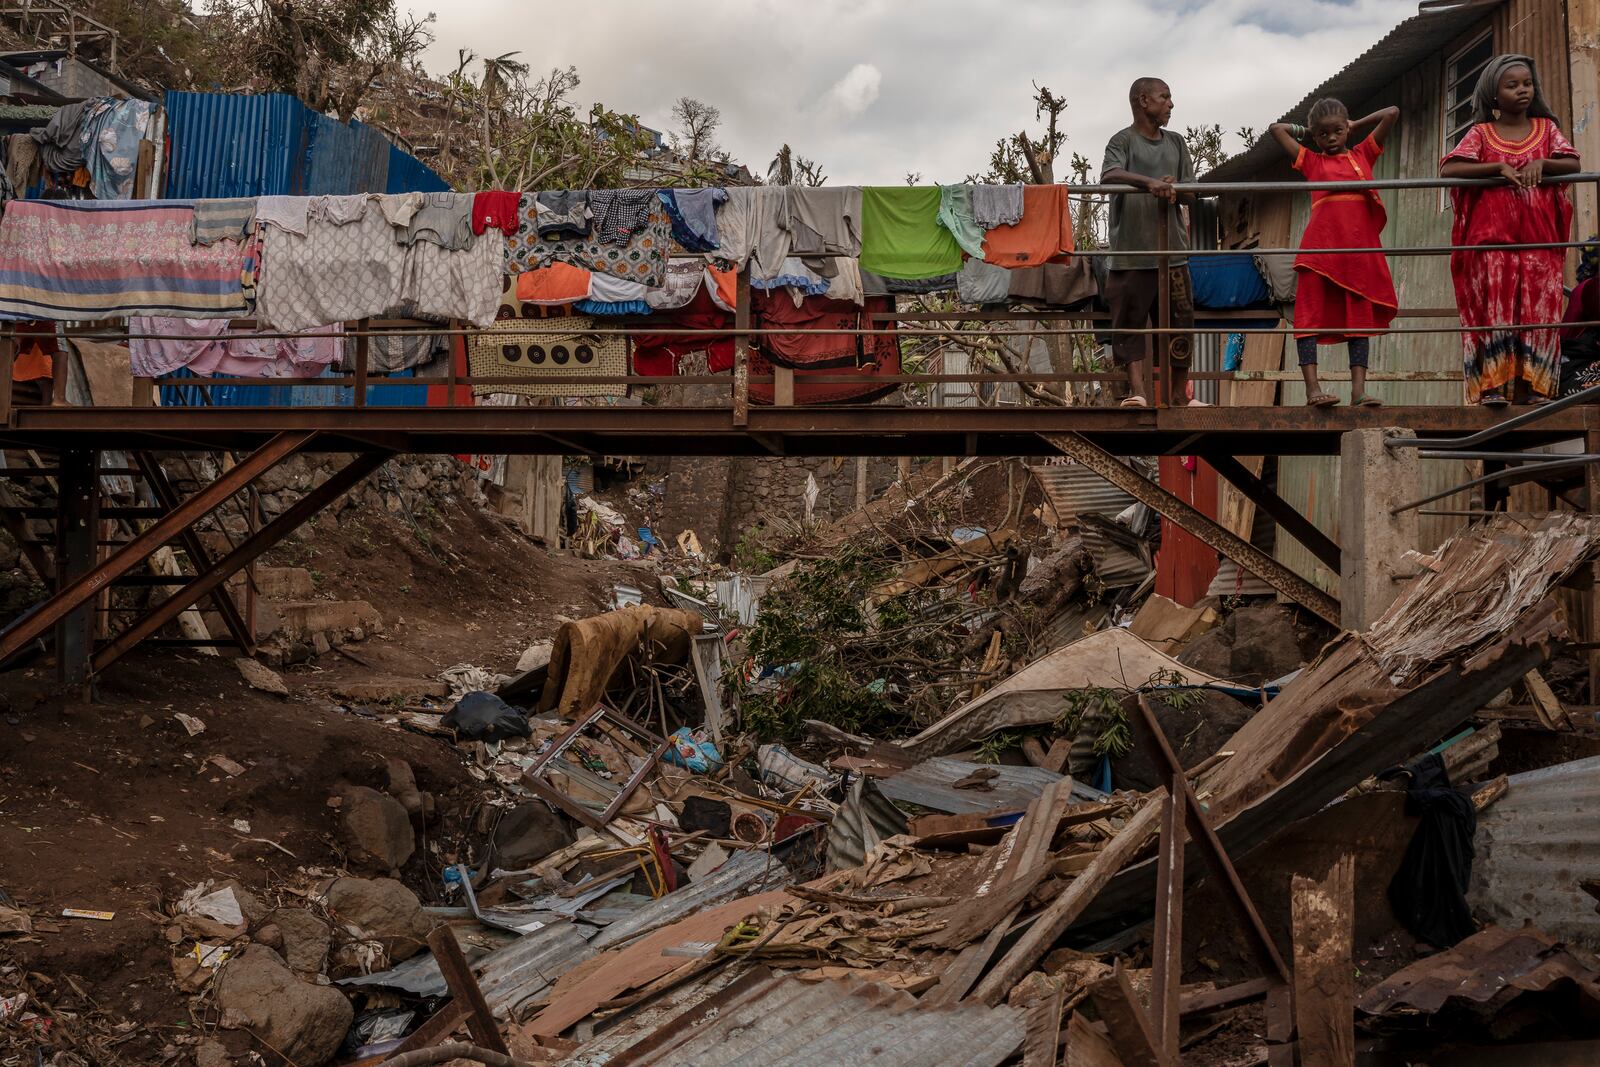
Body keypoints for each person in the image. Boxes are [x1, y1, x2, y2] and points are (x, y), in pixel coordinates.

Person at [1440, 54, 1581, 406]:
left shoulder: (1547, 130)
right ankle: (1491, 388)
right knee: (1494, 311)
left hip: (1539, 242)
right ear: (1493, 94)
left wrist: (1543, 162)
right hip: (1491, 242)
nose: (1523, 90)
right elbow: (1449, 169)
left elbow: (1573, 163)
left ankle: (1535, 389)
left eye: (1527, 83)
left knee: (1539, 310)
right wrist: (1496, 167)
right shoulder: (1480, 133)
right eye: (1512, 85)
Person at [1268, 100, 1399, 407]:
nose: (1331, 137)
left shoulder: (1363, 153)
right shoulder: (1313, 162)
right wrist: (1307, 128)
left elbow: (1391, 112)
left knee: (1358, 321)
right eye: (1323, 133)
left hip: (1356, 253)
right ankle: (1313, 390)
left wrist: (1355, 123)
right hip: (1320, 252)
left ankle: (1358, 391)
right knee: (1309, 318)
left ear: (1346, 129)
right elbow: (1277, 130)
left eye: (1338, 130)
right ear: (1315, 137)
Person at [1102, 77, 1199, 408]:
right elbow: (1110, 175)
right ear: (1144, 101)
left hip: (1173, 254)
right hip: (1132, 253)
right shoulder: (1122, 141)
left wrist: (1173, 185)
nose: (1171, 104)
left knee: (1181, 322)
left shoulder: (1176, 143)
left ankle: (1178, 396)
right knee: (1128, 323)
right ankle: (1138, 392)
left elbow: (1191, 193)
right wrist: (1150, 183)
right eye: (1165, 97)